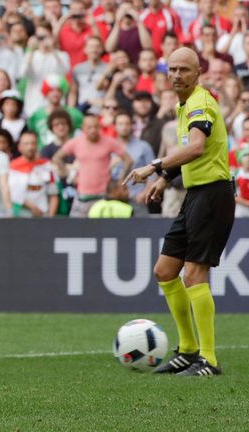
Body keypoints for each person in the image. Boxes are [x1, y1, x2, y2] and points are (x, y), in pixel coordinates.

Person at [124, 47, 235, 377]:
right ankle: (187, 351)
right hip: (195, 194)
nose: (176, 75)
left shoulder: (200, 102)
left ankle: (209, 359)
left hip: (212, 195)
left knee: (194, 274)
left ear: (198, 71)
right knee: (164, 270)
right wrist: (167, 176)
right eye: (171, 69)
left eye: (183, 70)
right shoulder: (183, 105)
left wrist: (153, 166)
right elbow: (192, 152)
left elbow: (197, 146)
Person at [52, 114, 133, 217]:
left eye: (96, 126)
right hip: (82, 196)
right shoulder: (76, 142)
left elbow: (128, 160)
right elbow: (57, 158)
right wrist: (70, 176)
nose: (93, 130)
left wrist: (121, 181)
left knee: (101, 231)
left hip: (103, 196)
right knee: (77, 230)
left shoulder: (109, 141)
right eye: (89, 127)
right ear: (83, 128)